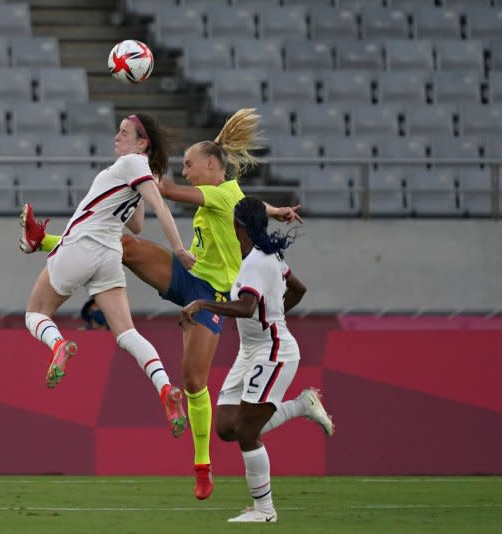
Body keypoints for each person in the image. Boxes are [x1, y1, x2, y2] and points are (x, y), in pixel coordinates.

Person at [19, 109, 302, 499]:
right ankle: (45, 241)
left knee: (193, 381)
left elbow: (168, 193)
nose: (186, 171)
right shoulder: (233, 195)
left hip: (210, 297)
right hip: (187, 278)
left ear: (211, 165)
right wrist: (277, 210)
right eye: (181, 165)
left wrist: (145, 173)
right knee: (123, 245)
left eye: (190, 165)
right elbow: (251, 204)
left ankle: (202, 465)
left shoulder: (216, 192)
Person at [22, 113, 196, 438]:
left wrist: (179, 249)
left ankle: (57, 344)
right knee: (127, 333)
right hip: (109, 255)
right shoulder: (135, 170)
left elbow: (160, 208)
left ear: (142, 143)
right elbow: (137, 224)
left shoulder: (131, 162)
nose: (117, 137)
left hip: (82, 246)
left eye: (124, 132)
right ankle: (164, 388)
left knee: (35, 313)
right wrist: (142, 184)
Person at [181, 196, 334, 523]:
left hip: (272, 350)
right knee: (225, 427)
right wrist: (275, 314)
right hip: (250, 350)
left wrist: (203, 305)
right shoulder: (264, 256)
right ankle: (301, 406)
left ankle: (264, 510)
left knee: (247, 431)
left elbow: (248, 307)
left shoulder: (255, 262)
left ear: (237, 225)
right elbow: (298, 289)